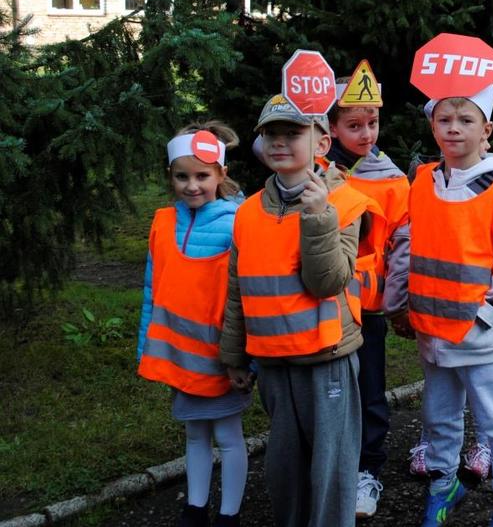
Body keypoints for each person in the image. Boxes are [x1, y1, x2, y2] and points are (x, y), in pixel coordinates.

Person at [219, 95, 374, 527]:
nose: (280, 142)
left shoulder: (343, 202)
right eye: (271, 134)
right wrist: (234, 356)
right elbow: (237, 288)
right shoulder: (248, 212)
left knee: (331, 471)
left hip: (326, 359)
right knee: (284, 469)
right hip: (272, 362)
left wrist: (318, 214)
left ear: (322, 143)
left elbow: (326, 281)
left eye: (292, 133)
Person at [403, 85, 493, 527]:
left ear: (487, 130)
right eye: (444, 119)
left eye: (466, 120)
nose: (453, 128)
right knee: (438, 419)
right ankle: (443, 485)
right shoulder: (422, 181)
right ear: (432, 126)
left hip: (480, 337)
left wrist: (483, 317)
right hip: (432, 332)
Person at [137, 123, 249, 527]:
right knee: (194, 434)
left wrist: (244, 358)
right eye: (181, 176)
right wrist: (148, 344)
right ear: (171, 176)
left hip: (221, 359)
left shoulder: (238, 221)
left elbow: (245, 295)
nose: (192, 185)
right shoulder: (164, 223)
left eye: (202, 176)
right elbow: (154, 288)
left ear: (221, 173)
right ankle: (195, 509)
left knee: (229, 437)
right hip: (180, 359)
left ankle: (229, 514)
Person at [323, 81, 411, 519]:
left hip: (368, 304)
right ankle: (328, 465)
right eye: (354, 125)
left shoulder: (393, 180)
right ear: (332, 126)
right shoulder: (314, 171)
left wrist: (398, 303)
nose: (366, 134)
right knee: (329, 388)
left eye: (372, 123)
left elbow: (402, 242)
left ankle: (367, 469)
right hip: (322, 302)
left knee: (369, 387)